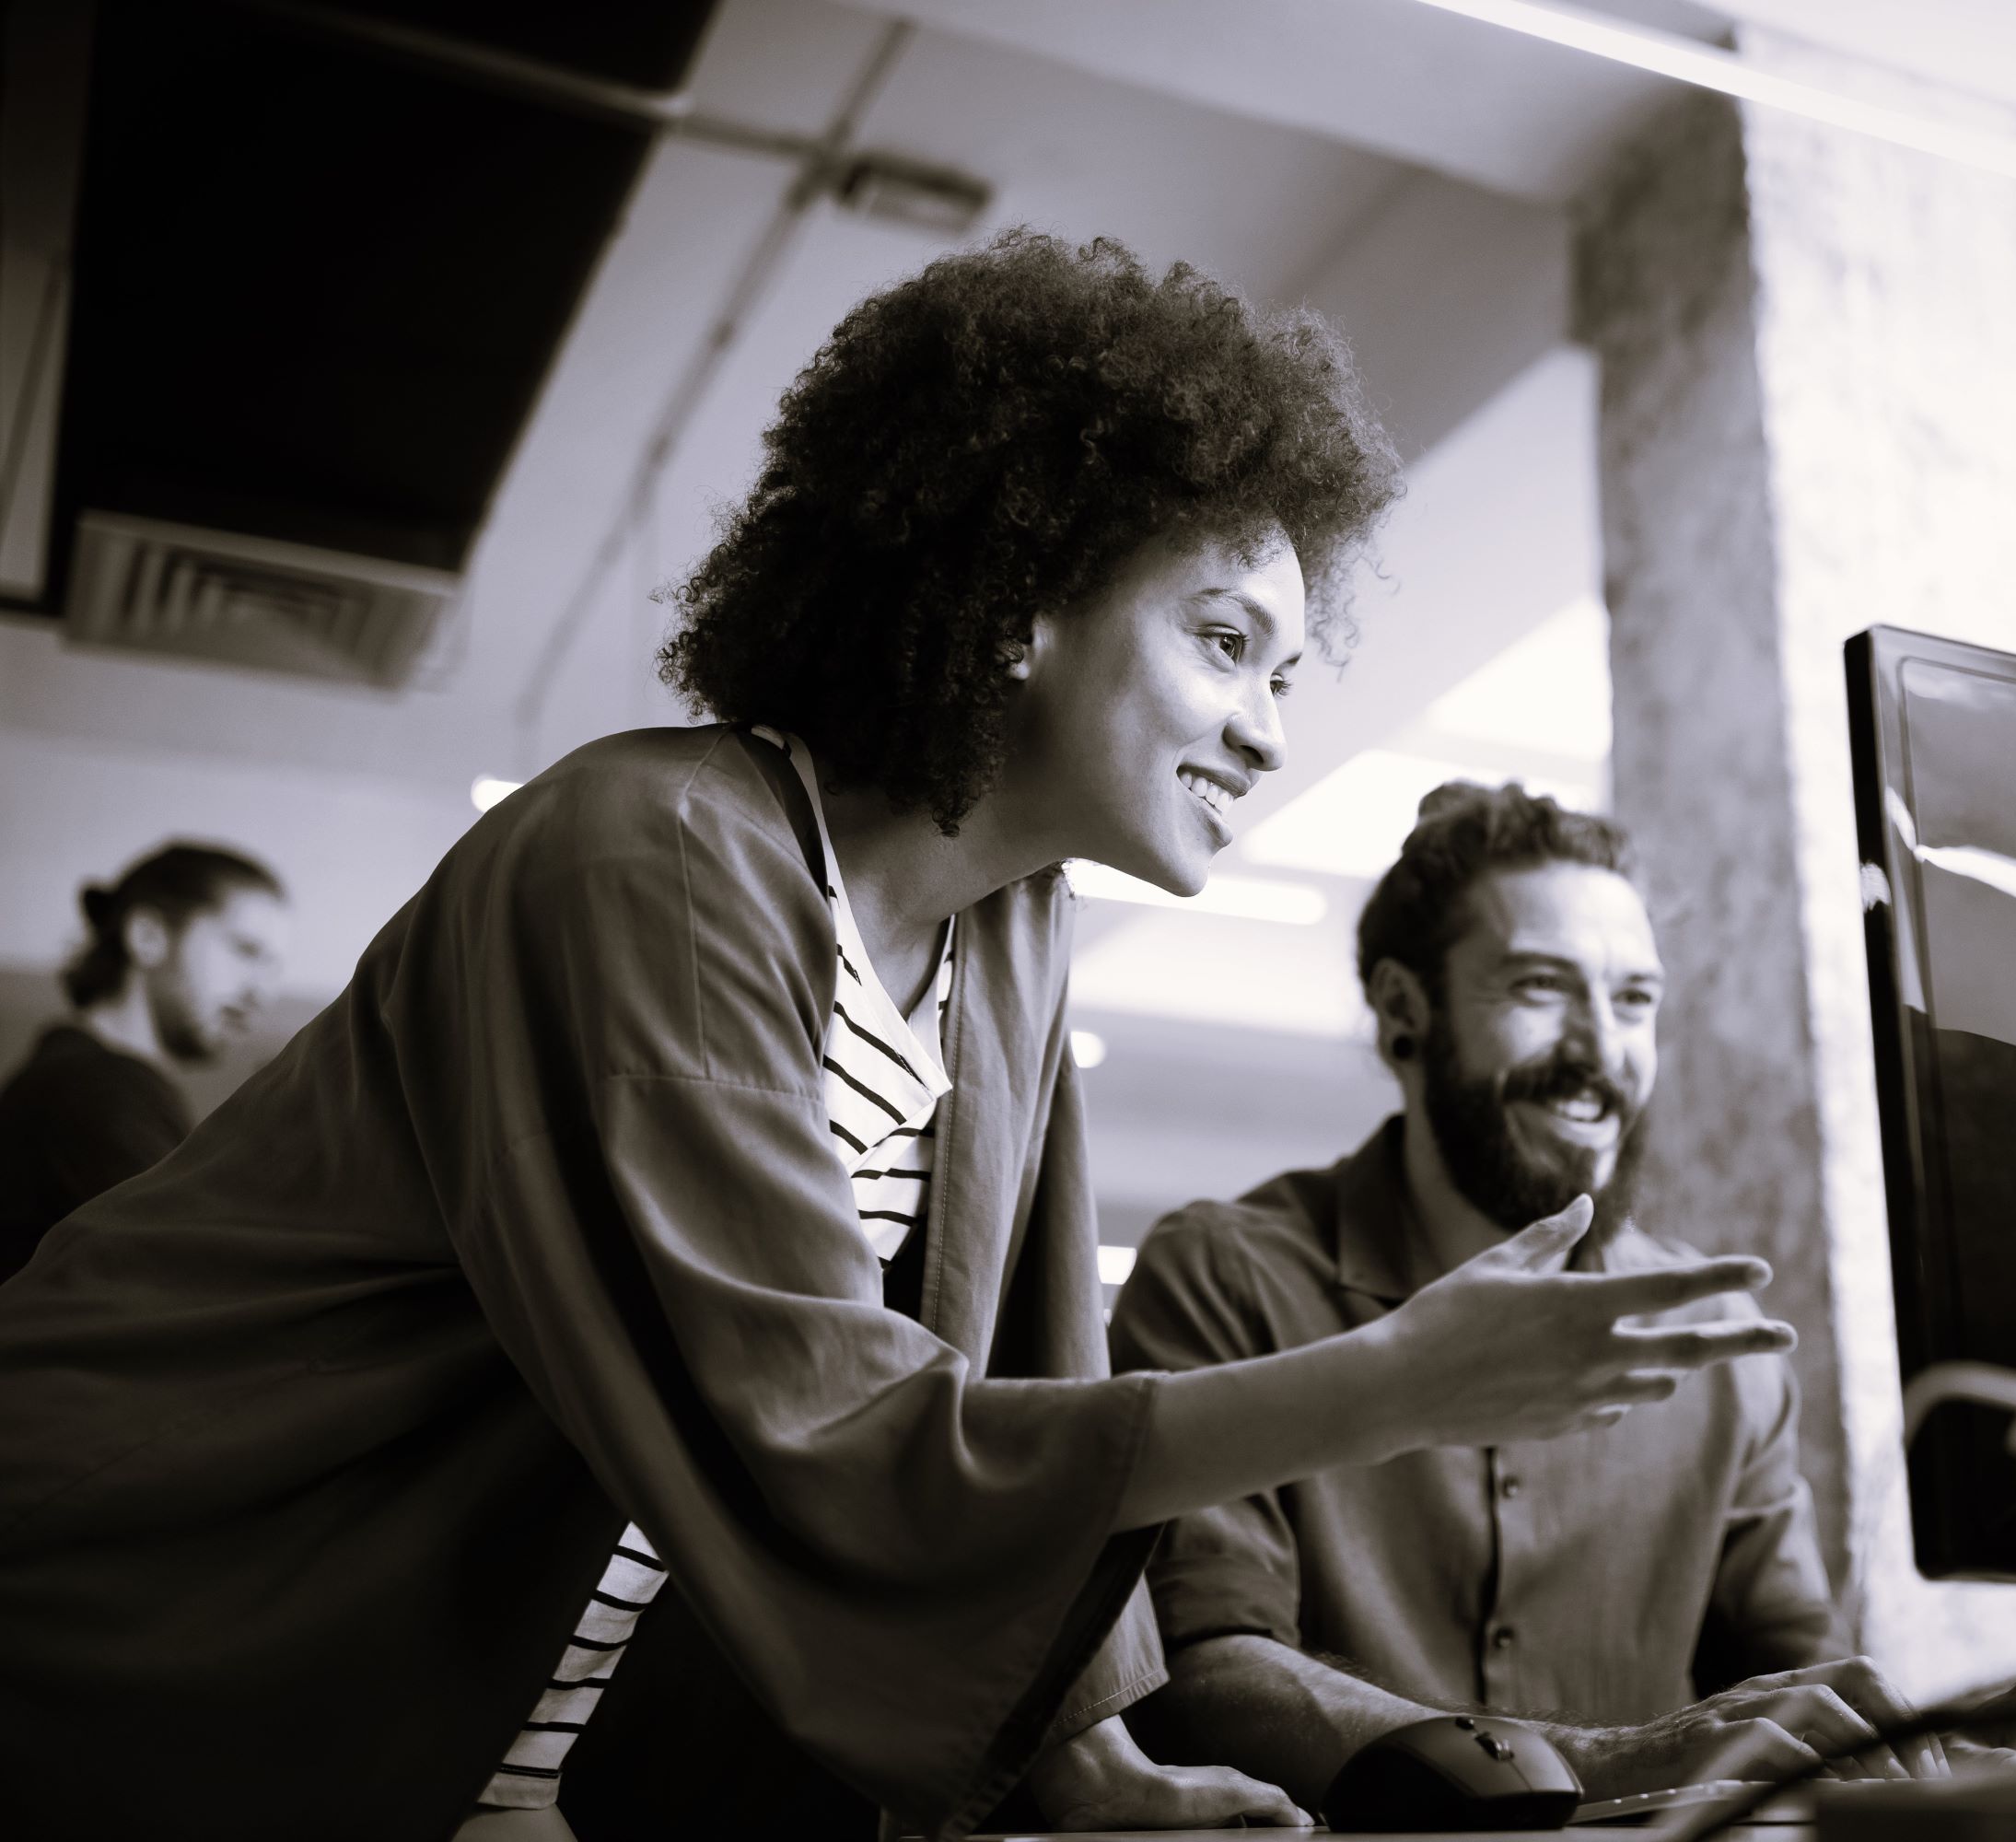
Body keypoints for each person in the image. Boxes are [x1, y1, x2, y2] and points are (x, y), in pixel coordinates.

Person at [0, 234, 1797, 1842]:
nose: (1264, 733)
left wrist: (1091, 1765)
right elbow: (837, 1428)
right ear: (1022, 596)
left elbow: (1018, 1352)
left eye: (1285, 673)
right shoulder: (654, 854)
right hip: (156, 1623)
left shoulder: (1010, 933)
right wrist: (1397, 1378)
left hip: (481, 1727)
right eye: (1227, 639)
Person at [1113, 783, 1977, 1807]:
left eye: (1635, 998)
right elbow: (1204, 1667)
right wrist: (1597, 1760)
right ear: (1403, 1010)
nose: (1602, 1051)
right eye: (1539, 986)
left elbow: (1793, 1676)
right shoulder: (1227, 1277)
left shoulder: (1715, 1343)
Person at [0, 842, 287, 1281]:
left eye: (271, 968)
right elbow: (203, 1287)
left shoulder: (83, 1079)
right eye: (245, 951)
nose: (260, 994)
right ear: (148, 936)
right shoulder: (96, 1089)